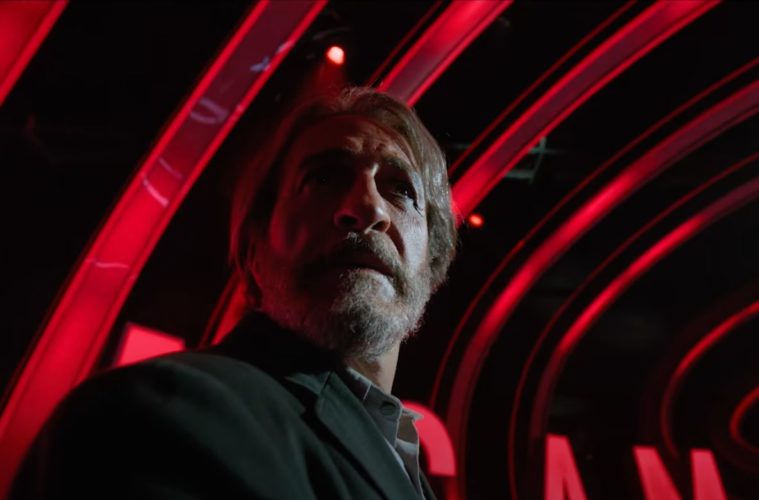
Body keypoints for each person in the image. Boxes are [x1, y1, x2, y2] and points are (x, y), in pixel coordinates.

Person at [12, 87, 458, 499]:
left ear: (433, 261)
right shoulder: (154, 416)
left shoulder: (401, 461)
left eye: (401, 189)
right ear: (253, 249)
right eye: (323, 179)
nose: (368, 206)